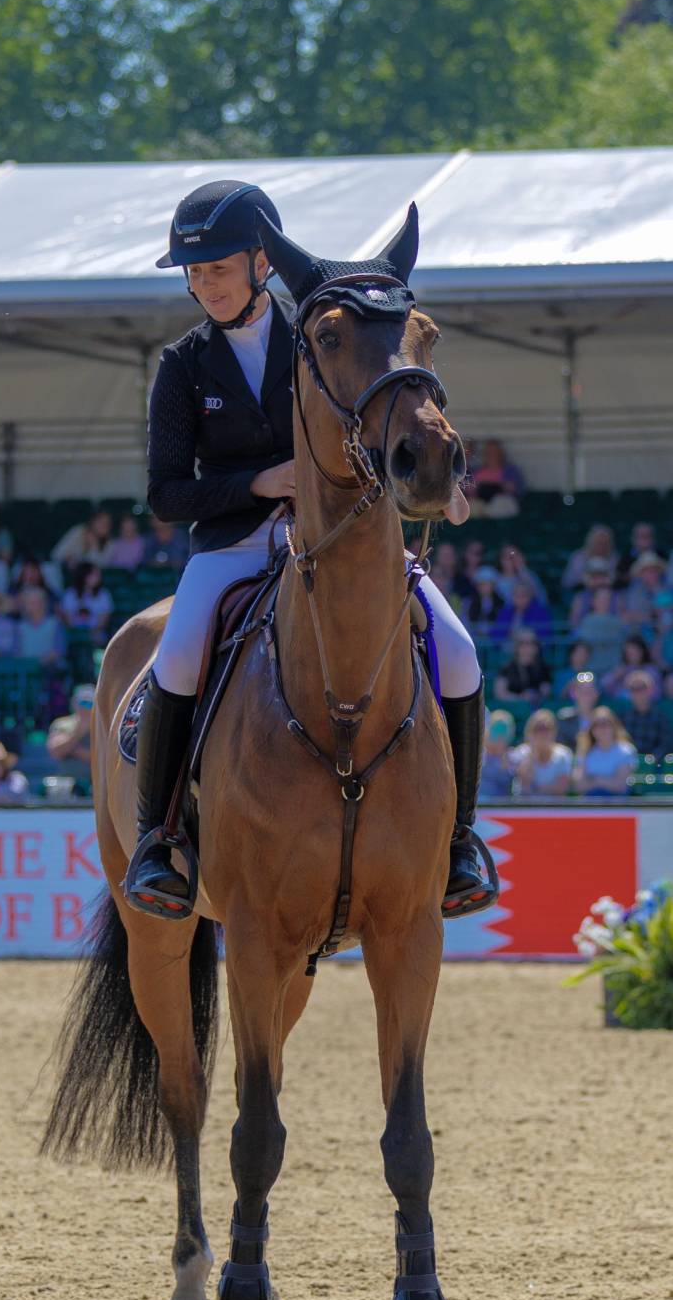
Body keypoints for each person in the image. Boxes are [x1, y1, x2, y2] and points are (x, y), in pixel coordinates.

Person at [126, 178, 491, 919]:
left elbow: (383, 411)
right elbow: (166, 493)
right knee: (178, 650)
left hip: (346, 539)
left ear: (262, 262)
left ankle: (457, 842)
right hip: (233, 546)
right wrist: (260, 482)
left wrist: (427, 482)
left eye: (217, 268)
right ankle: (156, 840)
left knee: (456, 651)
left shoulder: (326, 332)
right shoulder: (183, 364)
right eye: (194, 274)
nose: (205, 285)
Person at [572, 707, 637, 797]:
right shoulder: (584, 751)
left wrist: (595, 780)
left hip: (618, 804)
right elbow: (579, 786)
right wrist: (607, 782)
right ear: (592, 729)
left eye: (606, 724)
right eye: (597, 725)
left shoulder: (626, 751)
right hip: (590, 803)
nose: (602, 728)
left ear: (614, 726)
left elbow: (620, 786)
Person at [509, 709, 573, 798]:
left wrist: (536, 789)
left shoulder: (563, 754)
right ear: (530, 732)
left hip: (553, 807)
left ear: (554, 731)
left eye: (547, 728)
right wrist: (532, 752)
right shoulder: (521, 752)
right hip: (526, 806)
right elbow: (525, 784)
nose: (543, 733)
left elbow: (561, 789)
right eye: (538, 729)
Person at [617, 670, 673, 759]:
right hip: (627, 765)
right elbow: (619, 743)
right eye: (633, 689)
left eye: (641, 688)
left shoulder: (660, 717)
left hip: (653, 768)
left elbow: (665, 744)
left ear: (651, 690)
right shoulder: (623, 718)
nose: (638, 693)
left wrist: (652, 758)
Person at [492, 629, 551, 702]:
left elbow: (546, 694)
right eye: (523, 643)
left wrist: (535, 696)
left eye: (531, 643)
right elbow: (500, 694)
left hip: (536, 710)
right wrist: (520, 698)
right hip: (511, 709)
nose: (527, 647)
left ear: (537, 647)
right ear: (516, 647)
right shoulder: (506, 669)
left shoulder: (543, 669)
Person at [58, 561, 113, 639]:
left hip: (96, 634)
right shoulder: (70, 594)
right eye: (95, 574)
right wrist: (79, 633)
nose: (99, 577)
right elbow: (68, 619)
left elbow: (104, 620)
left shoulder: (104, 594)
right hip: (74, 634)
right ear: (84, 576)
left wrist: (92, 632)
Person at [481, 711, 517, 798]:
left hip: (499, 808)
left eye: (503, 733)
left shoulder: (513, 757)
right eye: (495, 731)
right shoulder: (477, 756)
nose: (498, 738)